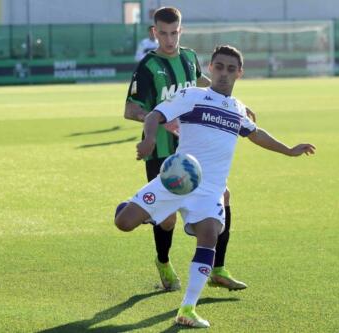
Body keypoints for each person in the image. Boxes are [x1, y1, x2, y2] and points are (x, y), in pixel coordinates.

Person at [116, 45, 316, 328]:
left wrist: (289, 150)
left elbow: (256, 134)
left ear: (240, 73)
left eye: (231, 69)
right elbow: (154, 116)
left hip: (210, 190)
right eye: (219, 67)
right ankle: (142, 212)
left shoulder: (237, 109)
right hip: (177, 179)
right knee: (123, 223)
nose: (224, 73)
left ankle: (187, 308)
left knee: (209, 234)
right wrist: (149, 139)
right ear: (210, 68)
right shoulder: (192, 96)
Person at [125, 6, 255, 293]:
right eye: (163, 34)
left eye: (174, 33)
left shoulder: (190, 57)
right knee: (168, 217)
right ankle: (163, 261)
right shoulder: (147, 66)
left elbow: (206, 86)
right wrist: (164, 122)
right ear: (154, 33)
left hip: (197, 149)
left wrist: (238, 108)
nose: (169, 40)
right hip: (162, 151)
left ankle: (218, 268)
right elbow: (131, 109)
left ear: (180, 31)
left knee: (223, 195)